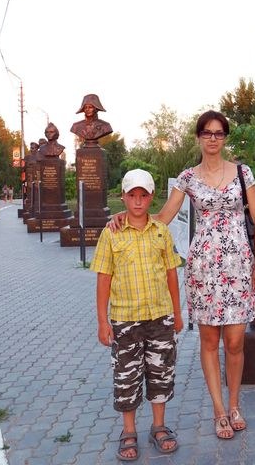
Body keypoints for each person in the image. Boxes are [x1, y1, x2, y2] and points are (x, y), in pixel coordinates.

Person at [109, 110, 255, 440]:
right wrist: (127, 216)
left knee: (235, 341)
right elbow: (163, 216)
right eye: (207, 133)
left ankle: (235, 403)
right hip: (204, 268)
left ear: (225, 138)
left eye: (219, 133)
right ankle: (219, 410)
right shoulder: (188, 177)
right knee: (210, 340)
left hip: (238, 264)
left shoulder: (242, 172)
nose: (213, 138)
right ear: (198, 137)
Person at [91, 168, 184, 461]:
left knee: (161, 373)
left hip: (160, 317)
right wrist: (102, 321)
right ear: (123, 197)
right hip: (125, 320)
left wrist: (177, 314)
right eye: (132, 195)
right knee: (126, 377)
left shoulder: (161, 232)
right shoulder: (112, 233)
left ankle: (158, 426)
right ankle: (128, 431)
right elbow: (104, 279)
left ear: (152, 197)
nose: (138, 201)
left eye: (144, 195)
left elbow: (171, 274)